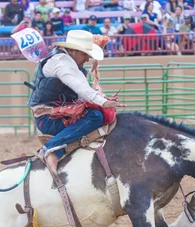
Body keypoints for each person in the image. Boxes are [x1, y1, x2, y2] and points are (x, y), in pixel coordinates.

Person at [27, 30, 126, 175]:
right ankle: (52, 149)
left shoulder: (69, 63)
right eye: (85, 54)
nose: (87, 59)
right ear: (73, 51)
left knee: (98, 115)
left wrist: (101, 99)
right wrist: (103, 102)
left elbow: (82, 92)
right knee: (96, 117)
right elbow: (80, 87)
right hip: (48, 119)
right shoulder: (60, 62)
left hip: (54, 115)